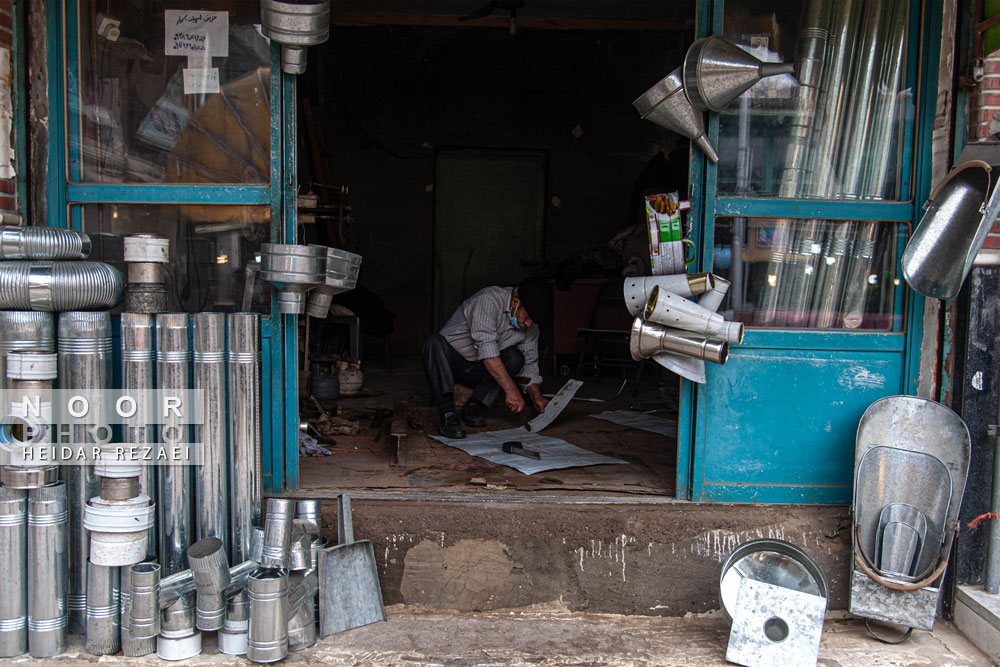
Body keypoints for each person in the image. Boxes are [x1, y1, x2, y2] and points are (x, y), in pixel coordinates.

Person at [421, 277, 552, 439]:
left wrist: (536, 397)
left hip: (482, 371)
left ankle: (475, 405)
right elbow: (488, 350)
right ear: (514, 303)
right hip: (452, 366)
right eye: (527, 316)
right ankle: (447, 413)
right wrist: (511, 390)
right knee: (433, 343)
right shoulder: (488, 300)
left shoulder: (530, 326)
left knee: (515, 357)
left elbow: (529, 363)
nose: (529, 323)